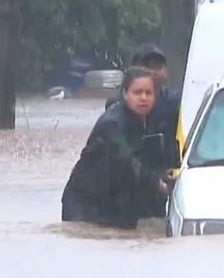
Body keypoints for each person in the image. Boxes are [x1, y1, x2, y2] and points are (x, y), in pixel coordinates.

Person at [62, 67, 175, 229]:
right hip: (85, 207)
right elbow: (127, 161)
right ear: (125, 94)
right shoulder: (112, 125)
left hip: (118, 201)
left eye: (148, 93)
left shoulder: (154, 120)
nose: (143, 98)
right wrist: (156, 181)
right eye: (137, 92)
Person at [106, 44, 181, 139]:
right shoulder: (116, 103)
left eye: (157, 66)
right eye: (146, 66)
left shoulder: (175, 102)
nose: (153, 71)